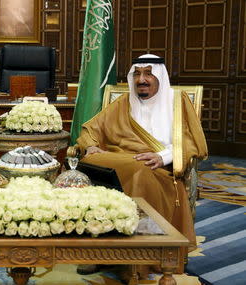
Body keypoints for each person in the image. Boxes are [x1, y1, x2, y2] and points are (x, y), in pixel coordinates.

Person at [76, 54, 208, 275]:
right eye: (137, 74)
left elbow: (193, 141)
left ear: (159, 77)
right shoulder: (123, 103)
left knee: (141, 170)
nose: (141, 79)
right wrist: (89, 146)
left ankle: (135, 259)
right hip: (121, 160)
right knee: (89, 162)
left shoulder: (178, 102)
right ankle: (98, 250)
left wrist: (163, 157)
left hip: (159, 168)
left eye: (148, 73)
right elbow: (91, 129)